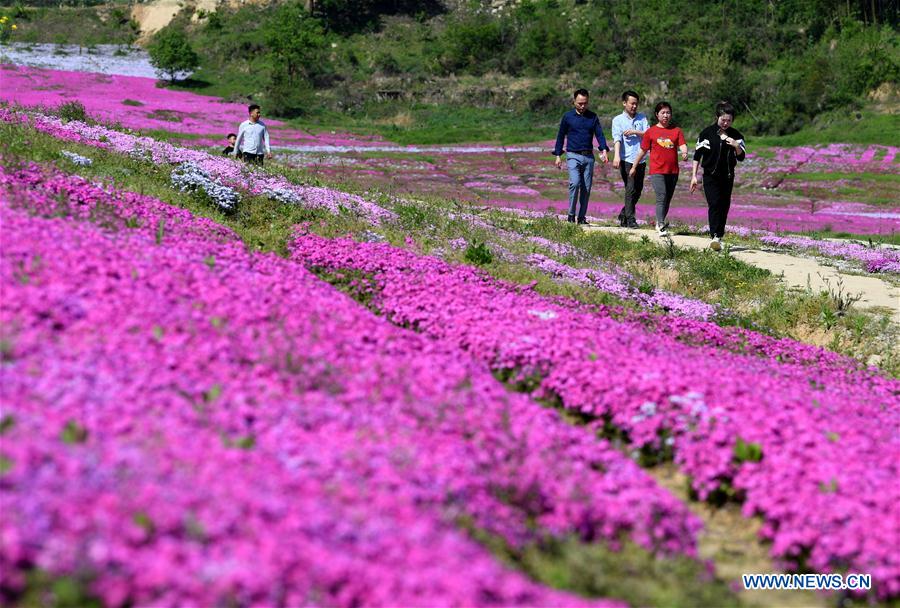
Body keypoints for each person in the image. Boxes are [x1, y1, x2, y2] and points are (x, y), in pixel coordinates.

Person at [690, 101, 746, 251]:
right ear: (717, 117)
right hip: (710, 176)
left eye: (729, 120)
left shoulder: (736, 135)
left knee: (724, 205)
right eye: (723, 120)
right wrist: (694, 176)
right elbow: (697, 156)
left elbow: (741, 157)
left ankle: (719, 235)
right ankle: (714, 235)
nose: (726, 123)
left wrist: (736, 146)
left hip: (727, 176)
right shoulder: (707, 133)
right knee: (714, 204)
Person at [630, 101, 687, 237]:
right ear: (657, 115)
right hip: (657, 171)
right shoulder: (651, 132)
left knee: (667, 198)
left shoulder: (676, 130)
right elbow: (642, 151)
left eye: (668, 113)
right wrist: (634, 167)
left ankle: (658, 222)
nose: (666, 115)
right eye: (663, 113)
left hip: (673, 171)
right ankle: (661, 224)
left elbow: (682, 145)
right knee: (661, 196)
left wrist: (684, 152)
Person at [553, 88, 609, 225]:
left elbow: (600, 134)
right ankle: (571, 215)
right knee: (575, 183)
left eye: (585, 103)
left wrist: (604, 150)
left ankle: (582, 217)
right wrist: (558, 155)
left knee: (586, 188)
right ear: (574, 102)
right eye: (579, 103)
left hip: (589, 157)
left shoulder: (593, 117)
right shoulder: (567, 117)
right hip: (572, 155)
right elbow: (561, 136)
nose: (582, 106)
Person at [611, 90, 649, 228]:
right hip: (626, 159)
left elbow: (649, 134)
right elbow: (617, 138)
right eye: (631, 103)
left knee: (638, 190)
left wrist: (635, 132)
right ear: (624, 103)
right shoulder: (617, 120)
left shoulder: (642, 118)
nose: (634, 106)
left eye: (636, 104)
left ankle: (623, 213)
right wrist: (616, 156)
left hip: (641, 159)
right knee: (630, 188)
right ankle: (631, 219)